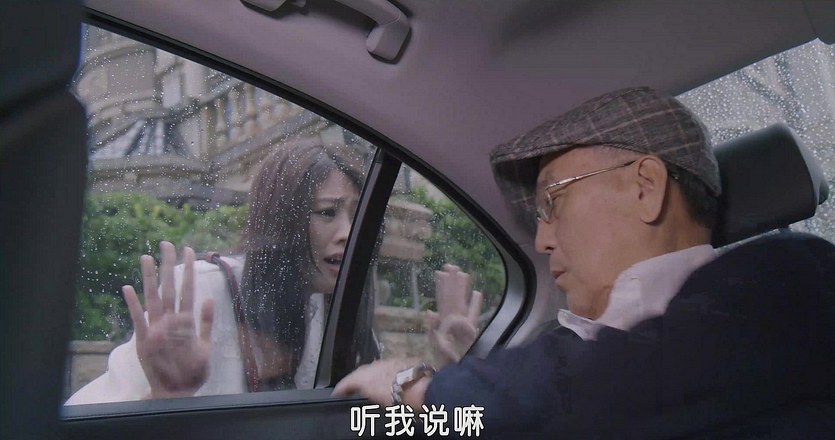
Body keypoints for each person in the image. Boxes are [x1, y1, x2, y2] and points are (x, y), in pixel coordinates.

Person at [332, 87, 835, 437]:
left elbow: (608, 387)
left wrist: (417, 387)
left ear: (646, 187)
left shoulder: (792, 279)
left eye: (552, 203)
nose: (542, 240)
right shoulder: (560, 345)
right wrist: (428, 392)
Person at [66, 142, 482, 404]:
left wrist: (455, 371)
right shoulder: (207, 291)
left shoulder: (341, 309)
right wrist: (164, 395)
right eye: (327, 213)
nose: (348, 233)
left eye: (359, 216)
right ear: (282, 220)